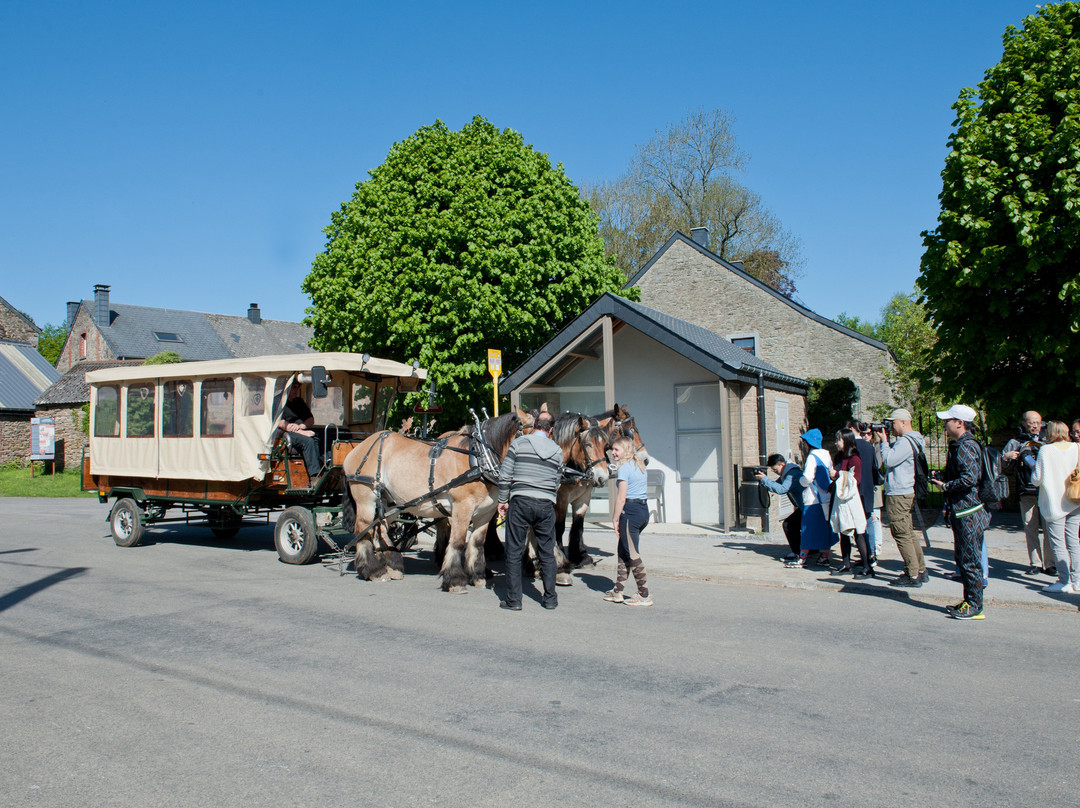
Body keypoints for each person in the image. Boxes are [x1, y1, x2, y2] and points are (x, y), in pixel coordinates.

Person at [496, 411, 563, 611]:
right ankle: (550, 599)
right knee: (546, 553)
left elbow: (505, 475)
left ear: (534, 425)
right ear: (551, 430)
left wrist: (502, 500)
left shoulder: (519, 444)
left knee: (514, 551)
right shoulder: (557, 451)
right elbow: (557, 482)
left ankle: (514, 600)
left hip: (520, 501)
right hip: (545, 505)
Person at [930, 404, 992, 620]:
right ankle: (970, 601)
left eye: (948, 421)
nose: (945, 425)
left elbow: (969, 478)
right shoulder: (961, 444)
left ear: (960, 423)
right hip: (964, 509)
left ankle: (976, 605)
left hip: (969, 510)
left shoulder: (966, 446)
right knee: (964, 558)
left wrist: (946, 486)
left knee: (970, 559)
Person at [875, 408, 927, 588]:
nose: (891, 426)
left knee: (901, 533)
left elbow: (889, 460)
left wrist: (884, 442)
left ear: (903, 422)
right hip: (905, 490)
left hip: (899, 492)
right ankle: (920, 570)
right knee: (909, 532)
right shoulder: (915, 439)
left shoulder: (905, 442)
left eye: (893, 423)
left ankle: (912, 574)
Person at [1030, 420, 1080, 594]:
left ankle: (1064, 580)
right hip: (1074, 499)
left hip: (1054, 502)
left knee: (1058, 543)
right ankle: (1077, 580)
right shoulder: (1077, 448)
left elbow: (1036, 478)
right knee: (1074, 542)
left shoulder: (1046, 450)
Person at [1002, 410, 1054, 576]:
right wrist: (1007, 457)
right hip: (1026, 490)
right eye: (1031, 423)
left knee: (1049, 528)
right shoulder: (1016, 441)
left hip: (1047, 490)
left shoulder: (1048, 440)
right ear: (1024, 423)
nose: (1035, 426)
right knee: (1030, 527)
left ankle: (1050, 564)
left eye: (1038, 422)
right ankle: (1035, 563)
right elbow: (1001, 465)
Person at [603, 436, 653, 606]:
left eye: (616, 449)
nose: (613, 452)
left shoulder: (624, 468)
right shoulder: (639, 465)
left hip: (630, 513)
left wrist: (615, 519)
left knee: (632, 554)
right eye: (612, 449)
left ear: (626, 450)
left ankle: (644, 595)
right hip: (642, 511)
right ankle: (618, 591)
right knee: (623, 551)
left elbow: (620, 498)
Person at [829, 428, 870, 577]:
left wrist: (838, 474)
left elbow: (855, 480)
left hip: (851, 500)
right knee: (843, 531)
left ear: (846, 440)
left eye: (838, 440)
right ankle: (846, 564)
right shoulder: (840, 457)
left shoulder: (854, 458)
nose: (836, 443)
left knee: (857, 532)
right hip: (840, 498)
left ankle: (867, 566)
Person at [792, 429, 836, 568]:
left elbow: (807, 478)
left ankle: (802, 558)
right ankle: (824, 557)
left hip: (813, 498)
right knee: (825, 529)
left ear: (808, 443)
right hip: (826, 497)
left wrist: (800, 482)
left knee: (807, 529)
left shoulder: (812, 457)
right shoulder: (826, 454)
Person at [756, 453, 804, 561]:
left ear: (782, 464)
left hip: (808, 507)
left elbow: (781, 489)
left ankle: (799, 552)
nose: (775, 472)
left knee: (789, 524)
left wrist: (765, 479)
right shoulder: (787, 473)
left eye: (775, 470)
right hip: (804, 507)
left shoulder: (792, 474)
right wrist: (763, 480)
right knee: (791, 524)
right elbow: (775, 485)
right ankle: (802, 550)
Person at [848, 420, 881, 569]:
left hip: (856, 489)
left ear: (851, 429)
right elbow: (875, 468)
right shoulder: (869, 446)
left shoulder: (852, 447)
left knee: (859, 526)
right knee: (868, 521)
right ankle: (871, 555)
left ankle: (866, 557)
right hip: (868, 489)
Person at [278, 380, 321, 476]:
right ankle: (315, 475)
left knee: (318, 437)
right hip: (285, 433)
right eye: (294, 387)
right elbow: (281, 423)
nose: (296, 390)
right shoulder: (279, 402)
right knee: (308, 441)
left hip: (298, 429)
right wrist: (302, 432)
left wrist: (302, 426)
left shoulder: (299, 402)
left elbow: (310, 419)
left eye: (298, 387)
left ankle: (321, 467)